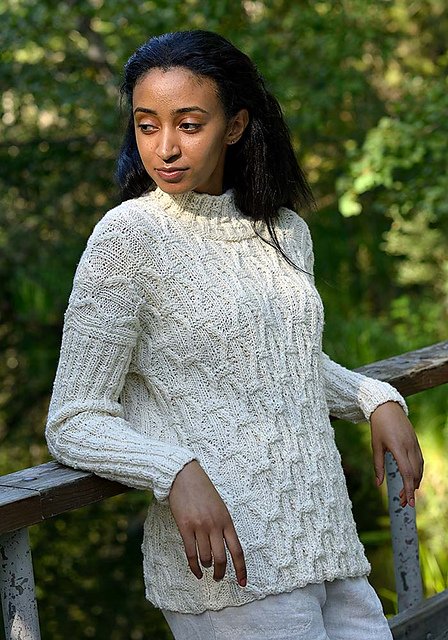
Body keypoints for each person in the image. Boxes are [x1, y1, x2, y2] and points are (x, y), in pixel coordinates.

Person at [46, 30, 424, 640]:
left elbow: (282, 362)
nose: (165, 147)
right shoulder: (127, 239)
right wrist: (173, 470)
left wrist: (373, 397)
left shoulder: (284, 230)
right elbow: (73, 419)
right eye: (147, 126)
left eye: (189, 124)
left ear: (236, 125)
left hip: (327, 542)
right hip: (228, 571)